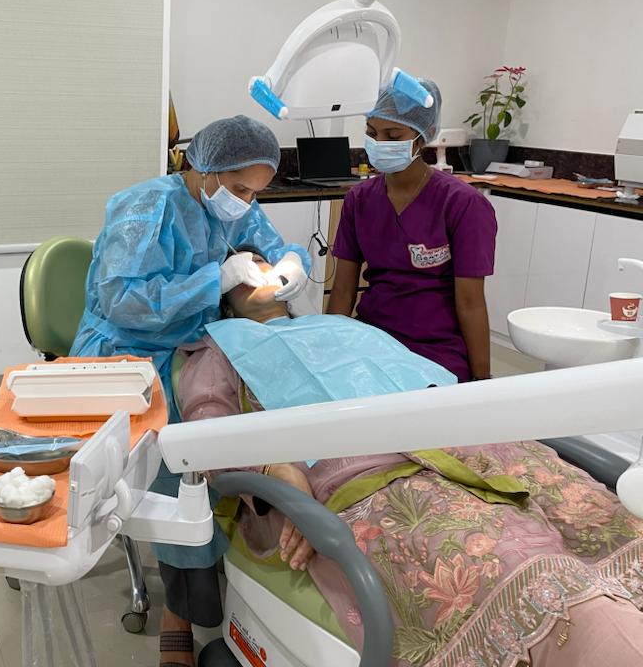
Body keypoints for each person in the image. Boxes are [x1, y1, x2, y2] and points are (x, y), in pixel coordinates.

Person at [178, 265, 643, 667]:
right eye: (245, 267)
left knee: (604, 518)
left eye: (266, 260)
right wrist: (271, 470)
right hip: (365, 476)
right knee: (518, 564)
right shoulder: (217, 352)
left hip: (465, 439)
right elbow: (207, 430)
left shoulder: (342, 326)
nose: (260, 269)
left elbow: (426, 378)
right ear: (221, 298)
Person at [69, 116, 311, 667]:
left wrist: (293, 262)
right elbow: (123, 301)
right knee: (184, 477)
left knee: (240, 441)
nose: (247, 202)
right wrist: (216, 281)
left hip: (198, 346)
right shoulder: (145, 207)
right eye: (241, 189)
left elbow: (272, 245)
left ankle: (236, 576)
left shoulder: (236, 203)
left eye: (256, 192)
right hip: (130, 358)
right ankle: (179, 615)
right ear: (203, 168)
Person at [327, 78, 498, 382]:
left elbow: (471, 302)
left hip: (435, 349)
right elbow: (342, 290)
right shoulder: (360, 200)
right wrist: (329, 353)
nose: (378, 143)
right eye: (371, 133)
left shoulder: (462, 204)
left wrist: (482, 385)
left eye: (392, 135)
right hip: (372, 337)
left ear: (422, 137)